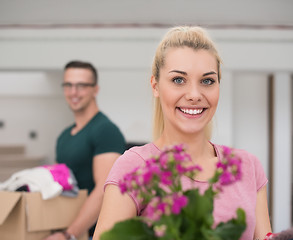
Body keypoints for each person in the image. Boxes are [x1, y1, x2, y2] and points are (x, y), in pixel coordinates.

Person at [92, 26, 272, 240]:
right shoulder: (134, 167)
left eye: (207, 81)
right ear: (155, 86)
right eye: (178, 80)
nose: (195, 95)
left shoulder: (247, 166)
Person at [44, 61, 126, 240]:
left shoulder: (105, 130)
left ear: (95, 89)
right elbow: (59, 184)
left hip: (93, 234)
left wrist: (69, 234)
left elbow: (105, 190)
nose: (73, 92)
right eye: (68, 85)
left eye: (81, 85)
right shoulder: (64, 136)